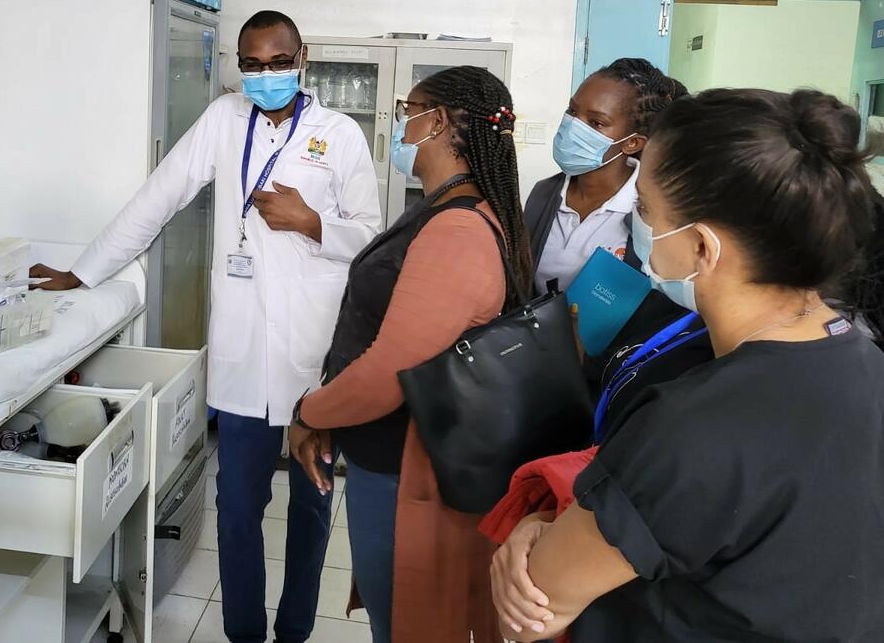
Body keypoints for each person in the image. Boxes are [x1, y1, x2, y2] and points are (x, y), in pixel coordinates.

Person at [34, 10, 382, 643]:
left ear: (301, 58)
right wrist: (84, 274)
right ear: (238, 67)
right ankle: (245, 634)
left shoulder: (340, 134)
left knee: (311, 504)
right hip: (245, 352)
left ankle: (295, 631)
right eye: (252, 64)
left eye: (278, 61)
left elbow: (370, 237)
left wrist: (311, 222)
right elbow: (158, 197)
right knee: (238, 508)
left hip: (318, 353)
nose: (266, 73)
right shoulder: (224, 121)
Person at [492, 88, 884, 643]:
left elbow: (533, 607)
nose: (636, 227)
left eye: (645, 211)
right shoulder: (863, 361)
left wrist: (532, 528)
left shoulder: (695, 423)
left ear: (702, 247)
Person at [288, 66, 528, 643]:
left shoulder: (459, 230)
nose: (401, 123)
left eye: (408, 110)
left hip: (406, 468)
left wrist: (309, 413)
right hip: (388, 457)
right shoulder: (445, 208)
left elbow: (389, 373)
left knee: (402, 622)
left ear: (438, 121)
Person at [526, 58, 685, 294]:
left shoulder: (654, 210)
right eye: (572, 110)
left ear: (632, 142)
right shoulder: (544, 194)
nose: (572, 126)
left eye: (596, 122)